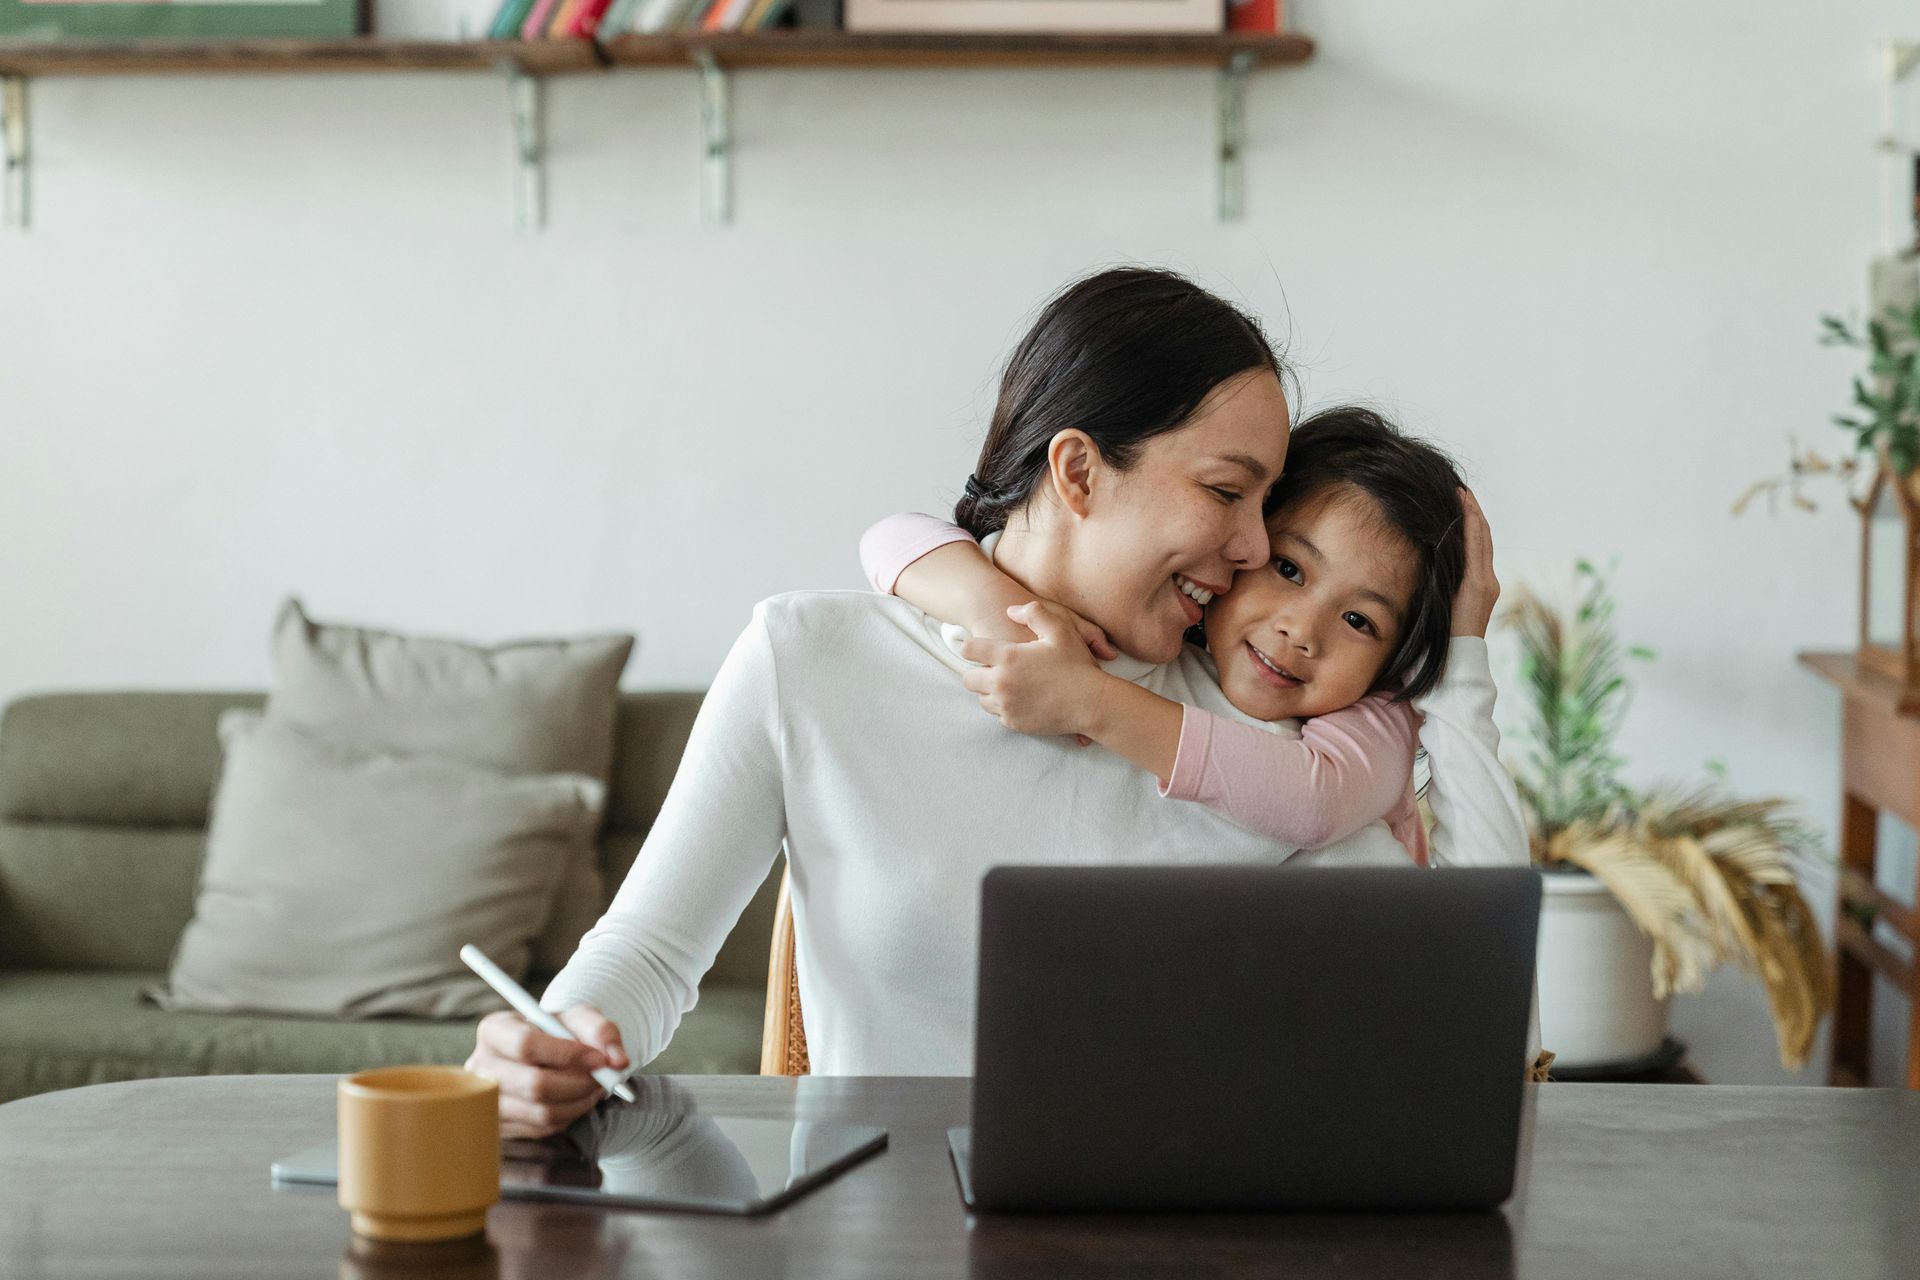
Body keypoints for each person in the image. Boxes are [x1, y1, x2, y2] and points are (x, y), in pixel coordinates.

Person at [466, 267, 1527, 1139]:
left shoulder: (1273, 734)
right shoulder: (812, 659)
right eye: (1224, 491)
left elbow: (1474, 1004)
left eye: (1266, 504)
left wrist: (1465, 655)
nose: (1254, 548)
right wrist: (554, 1036)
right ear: (1077, 469)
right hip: (877, 1243)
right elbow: (649, 954)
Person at [858, 406, 1492, 865]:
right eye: (1289, 569)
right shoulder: (1174, 637)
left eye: (1361, 621)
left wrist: (1091, 702)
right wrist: (1001, 609)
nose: (1302, 631)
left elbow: (1317, 801)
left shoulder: (1377, 714)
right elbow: (890, 535)